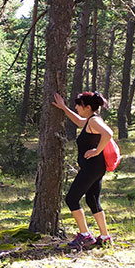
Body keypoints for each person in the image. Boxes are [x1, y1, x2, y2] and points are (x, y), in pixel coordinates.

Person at [52, 91, 114, 250]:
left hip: (92, 168)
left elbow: (108, 133)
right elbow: (79, 121)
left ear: (87, 107)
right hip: (96, 168)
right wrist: (64, 108)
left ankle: (85, 235)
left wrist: (96, 151)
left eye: (78, 105)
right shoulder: (91, 120)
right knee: (92, 201)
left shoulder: (94, 121)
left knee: (72, 199)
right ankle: (105, 237)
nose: (76, 107)